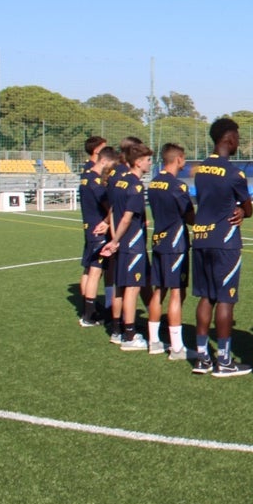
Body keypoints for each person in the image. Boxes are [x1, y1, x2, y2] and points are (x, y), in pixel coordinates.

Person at [191, 117, 253, 377]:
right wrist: (241, 210)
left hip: (201, 238)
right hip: (224, 242)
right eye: (237, 137)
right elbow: (248, 208)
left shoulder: (201, 169)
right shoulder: (233, 173)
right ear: (228, 139)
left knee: (206, 296)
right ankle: (225, 360)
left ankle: (201, 357)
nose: (239, 142)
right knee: (226, 299)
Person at [99, 142, 154, 351]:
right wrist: (115, 240)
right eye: (148, 160)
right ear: (139, 162)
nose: (150, 163)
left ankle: (116, 330)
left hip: (123, 244)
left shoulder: (120, 182)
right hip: (132, 243)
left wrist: (114, 240)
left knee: (120, 288)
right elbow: (125, 218)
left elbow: (113, 212)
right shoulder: (135, 186)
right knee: (132, 288)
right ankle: (130, 335)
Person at [146, 143, 195, 359]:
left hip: (158, 240)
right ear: (178, 159)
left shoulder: (153, 183)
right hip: (176, 244)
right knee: (176, 291)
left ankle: (154, 341)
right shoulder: (177, 186)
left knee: (160, 290)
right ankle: (176, 348)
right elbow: (190, 217)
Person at [78, 140, 116, 328]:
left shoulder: (85, 178)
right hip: (97, 230)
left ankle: (87, 308)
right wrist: (108, 221)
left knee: (88, 269)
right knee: (95, 271)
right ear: (104, 162)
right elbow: (109, 208)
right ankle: (89, 314)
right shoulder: (95, 182)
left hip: (88, 227)